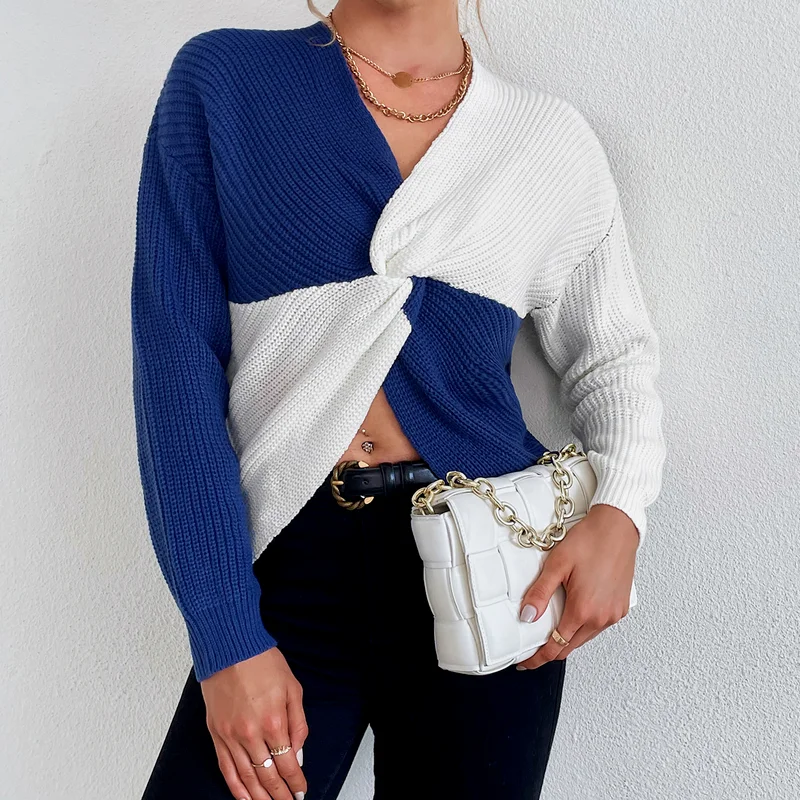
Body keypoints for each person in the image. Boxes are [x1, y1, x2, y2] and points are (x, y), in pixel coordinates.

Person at [130, 2, 666, 798]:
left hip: (493, 572)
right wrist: (223, 634)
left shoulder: (544, 141)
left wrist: (620, 512)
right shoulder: (227, 81)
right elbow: (175, 372)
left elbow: (614, 354)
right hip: (284, 573)